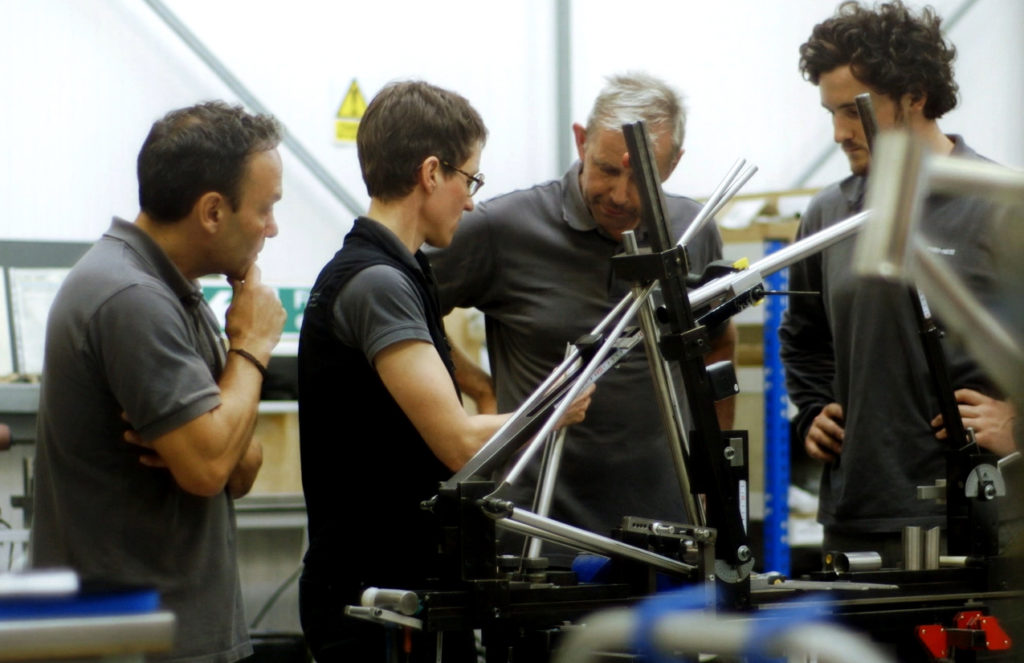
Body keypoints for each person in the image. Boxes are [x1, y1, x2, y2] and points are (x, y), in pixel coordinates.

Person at [296, 80, 592, 662]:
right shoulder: (378, 283)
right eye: (470, 179)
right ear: (432, 173)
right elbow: (458, 443)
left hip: (402, 588)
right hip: (374, 599)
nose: (472, 201)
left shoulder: (401, 273)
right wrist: (555, 406)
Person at [426, 72, 736, 564]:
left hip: (664, 529)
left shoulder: (691, 230)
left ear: (675, 163)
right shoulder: (502, 229)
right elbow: (407, 307)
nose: (621, 195)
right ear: (581, 141)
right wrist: (480, 388)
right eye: (607, 169)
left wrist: (712, 474)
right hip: (537, 528)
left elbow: (716, 345)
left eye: (642, 177)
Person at [31, 101, 286, 662]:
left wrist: (217, 435)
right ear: (212, 211)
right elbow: (211, 467)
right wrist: (252, 344)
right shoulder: (132, 297)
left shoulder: (172, 292)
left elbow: (240, 467)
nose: (273, 227)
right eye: (266, 208)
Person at [779, 0, 1016, 568]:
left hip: (977, 516)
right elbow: (804, 337)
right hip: (857, 517)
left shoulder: (1001, 207)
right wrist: (813, 411)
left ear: (915, 97)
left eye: (853, 111)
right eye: (830, 112)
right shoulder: (829, 215)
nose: (839, 133)